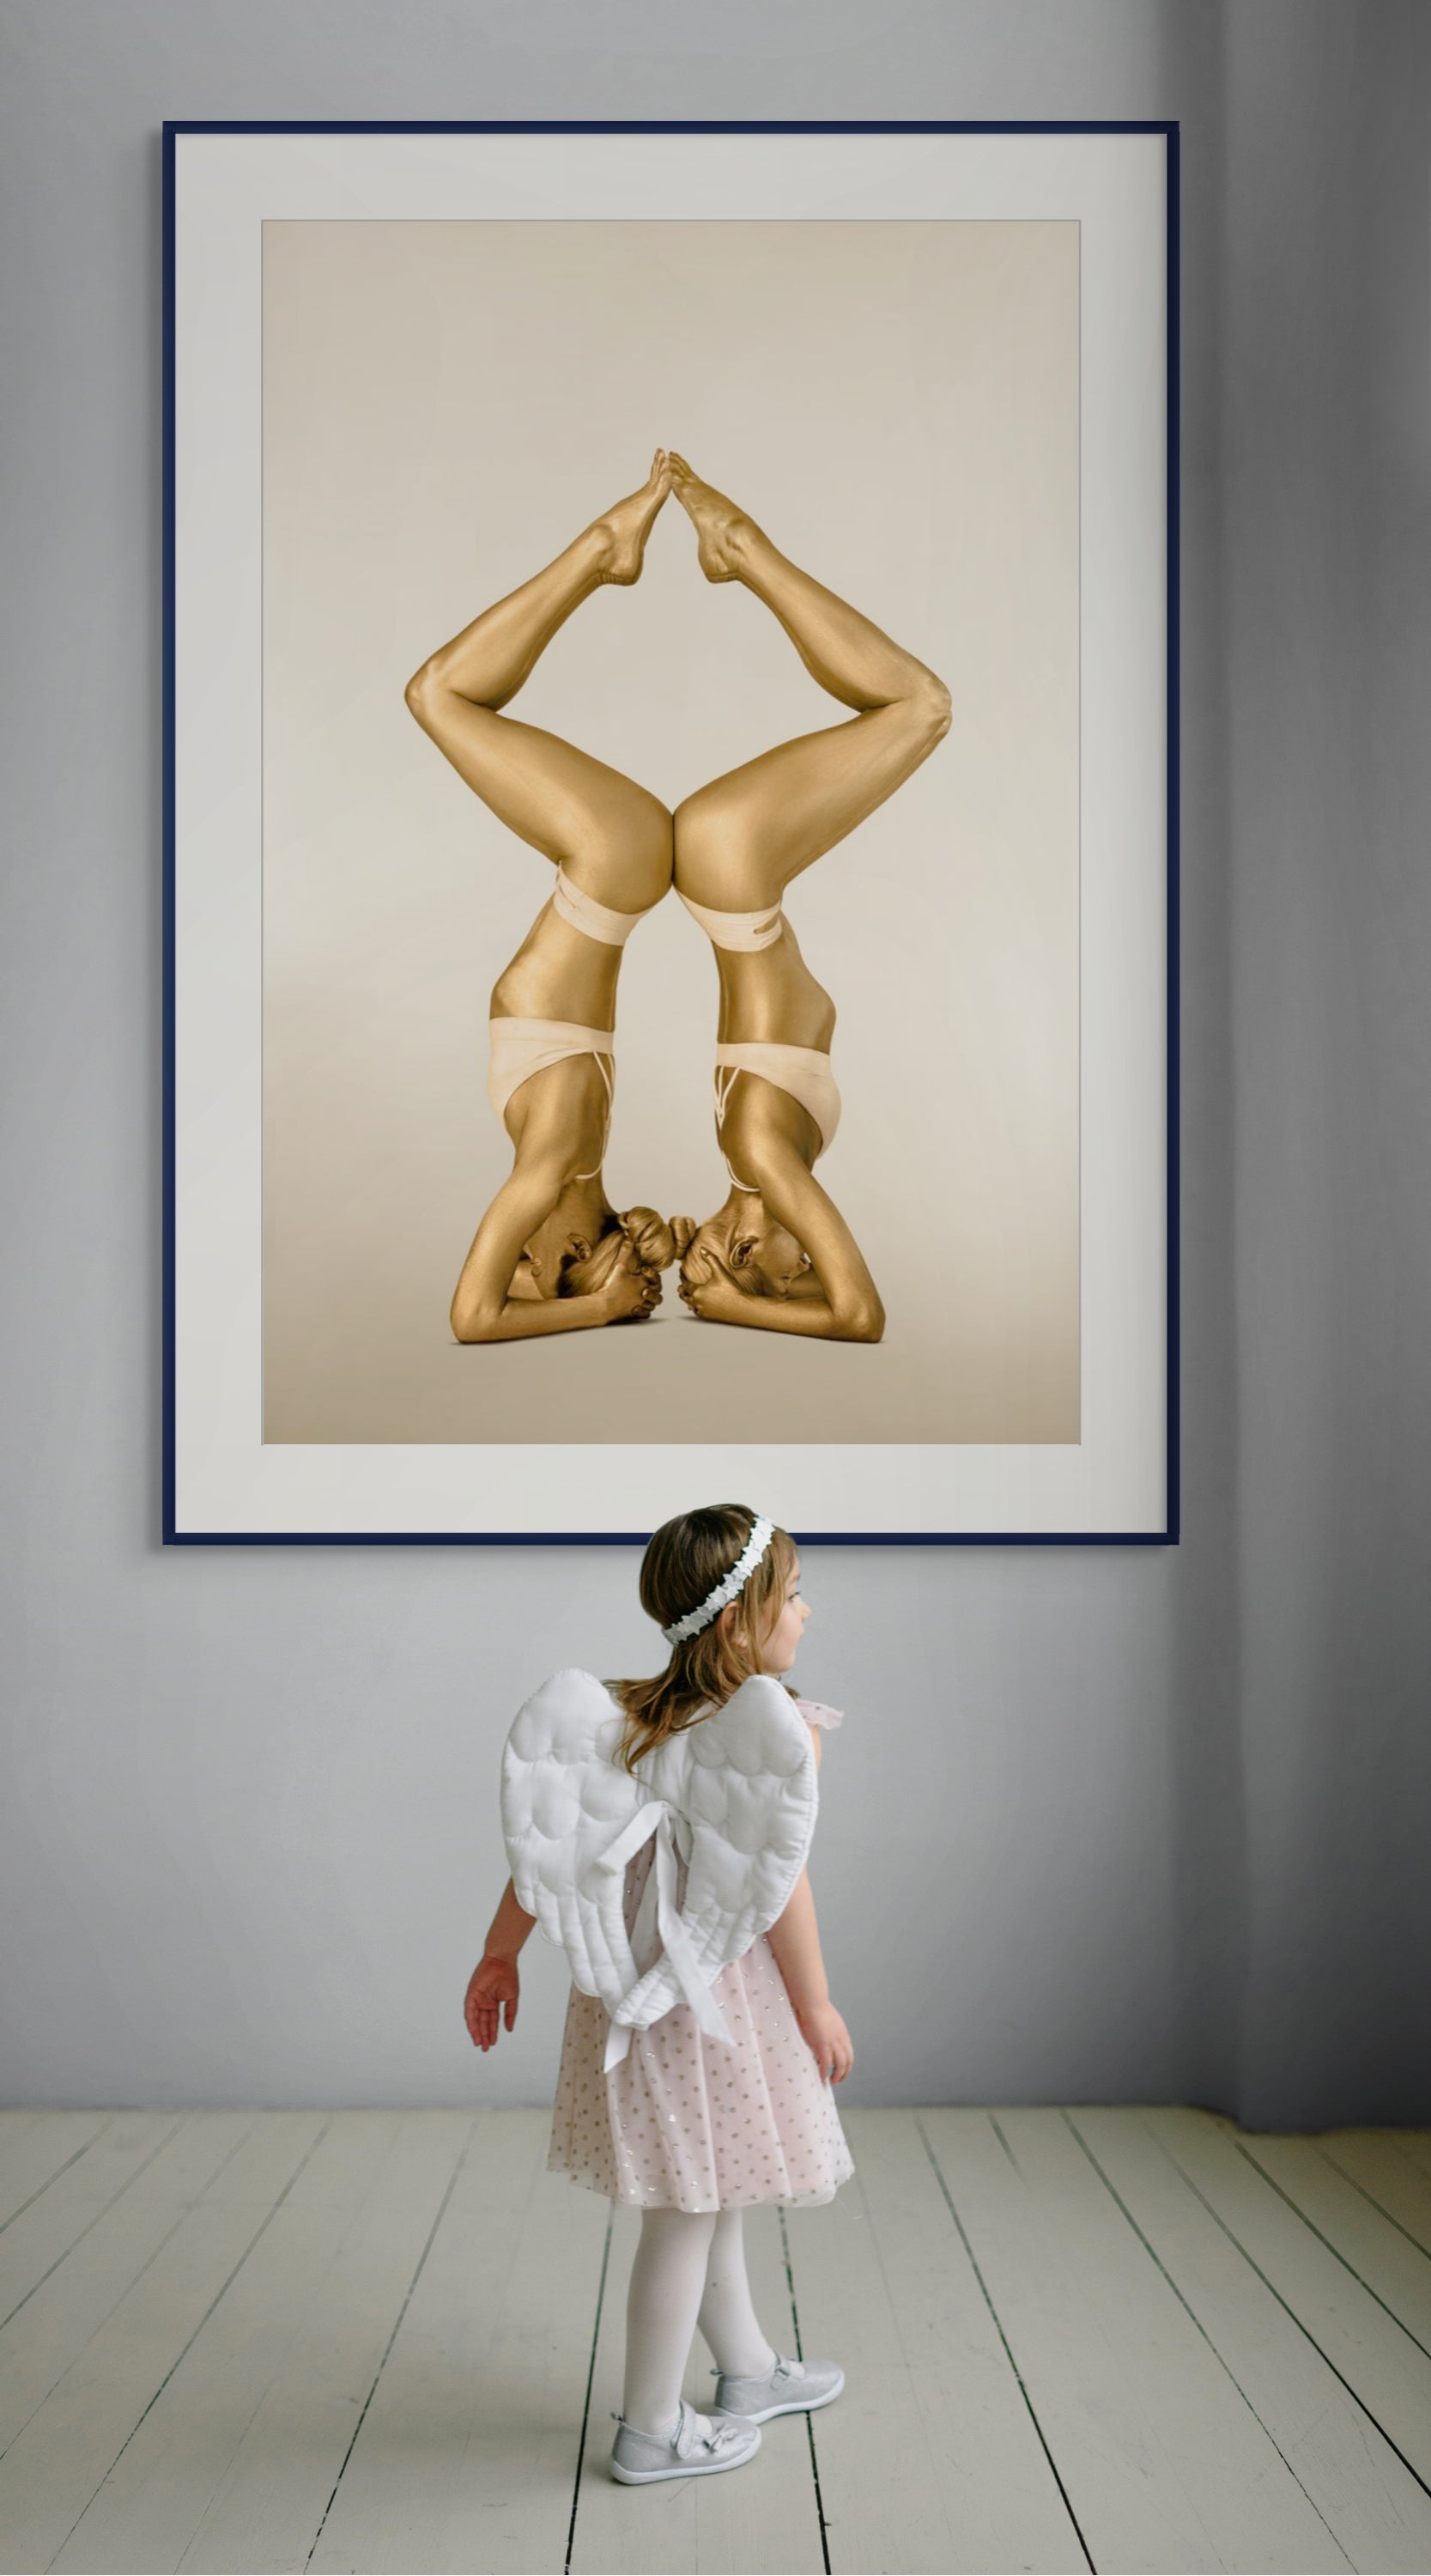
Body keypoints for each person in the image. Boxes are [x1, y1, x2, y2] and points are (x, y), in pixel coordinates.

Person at [464, 1504, 854, 2486]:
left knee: (707, 2195)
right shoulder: (779, 1733)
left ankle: (750, 2370)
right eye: (793, 1596)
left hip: (637, 1990)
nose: (807, 1612)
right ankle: (648, 2426)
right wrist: (814, 2005)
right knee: (686, 2214)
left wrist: (500, 1952)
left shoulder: (624, 1721)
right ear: (736, 1622)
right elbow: (784, 1885)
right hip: (704, 2003)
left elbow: (551, 1849)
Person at [666, 454, 951, 1340]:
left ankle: (742, 551)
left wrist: (735, 1305)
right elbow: (830, 1299)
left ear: (749, 1251)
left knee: (918, 706)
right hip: (734, 882)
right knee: (909, 707)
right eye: (801, 1285)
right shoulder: (758, 1155)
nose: (804, 1277)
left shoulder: (756, 1153)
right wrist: (739, 1296)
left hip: (733, 871)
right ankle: (741, 554)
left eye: (784, 1279)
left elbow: (858, 1315)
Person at [403, 453, 686, 1342]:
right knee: (449, 698)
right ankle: (599, 557)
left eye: (532, 1263)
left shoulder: (544, 1170)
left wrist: (593, 1303)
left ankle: (599, 555)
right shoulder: (580, 1176)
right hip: (608, 877)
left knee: (440, 695)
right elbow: (596, 1259)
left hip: (605, 873)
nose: (636, 1274)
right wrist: (641, 1239)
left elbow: (470, 1320)